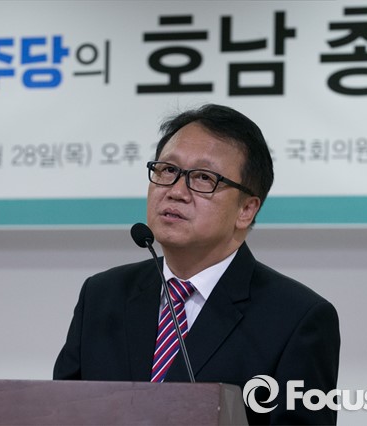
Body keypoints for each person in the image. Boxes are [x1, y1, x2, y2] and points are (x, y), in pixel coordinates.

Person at [53, 104, 340, 425]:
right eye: (167, 170)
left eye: (204, 177)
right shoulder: (103, 295)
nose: (176, 192)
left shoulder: (297, 319)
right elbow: (58, 411)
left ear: (246, 209)